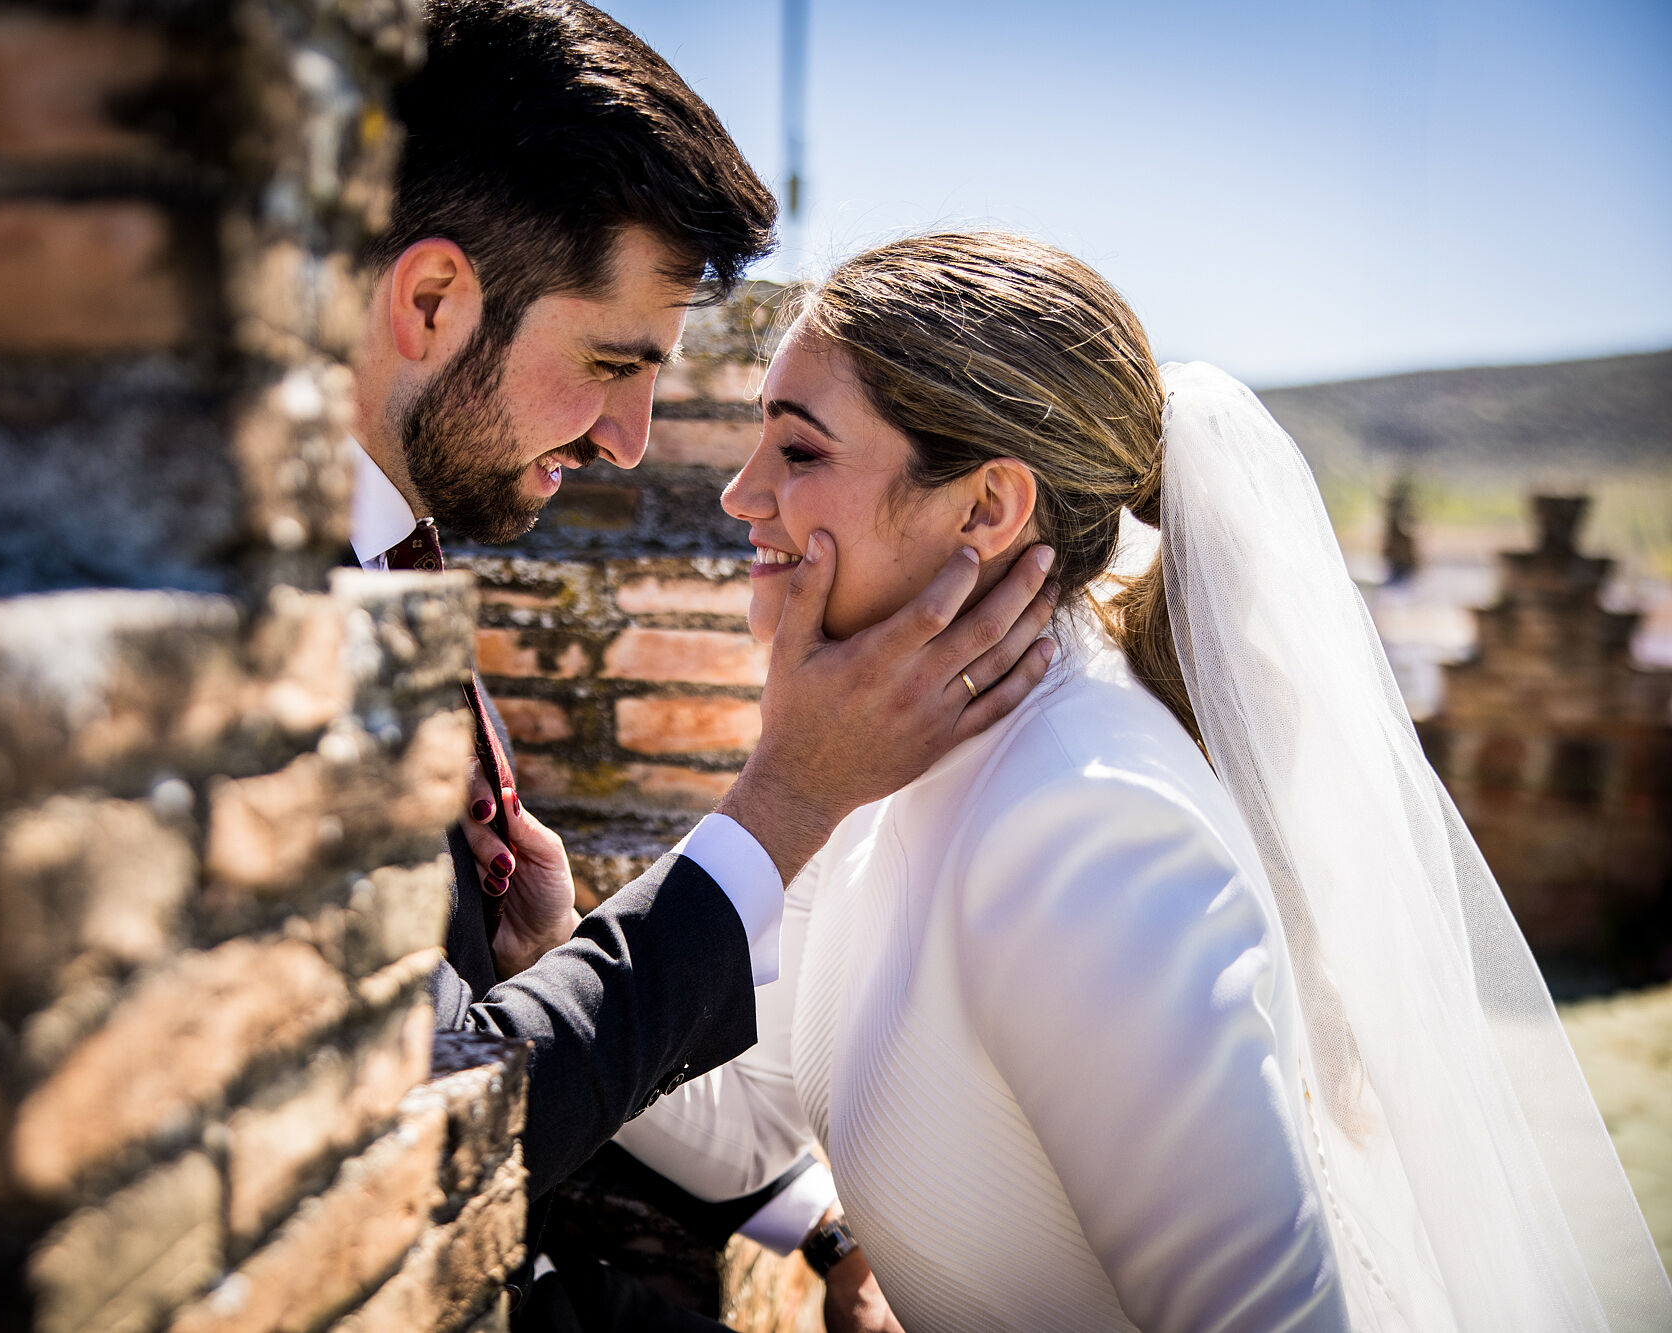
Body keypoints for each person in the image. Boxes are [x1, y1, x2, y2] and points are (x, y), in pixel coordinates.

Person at [615, 231, 1672, 1332]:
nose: (740, 495)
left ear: (985, 509)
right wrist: (546, 945)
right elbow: (738, 1121)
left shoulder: (1085, 821)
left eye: (797, 452)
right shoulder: (896, 757)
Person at [344, 4, 1058, 1325]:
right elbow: (442, 1111)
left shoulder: (403, 562)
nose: (632, 439)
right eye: (614, 362)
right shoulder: (275, 632)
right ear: (434, 299)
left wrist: (813, 1223)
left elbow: (502, 1022)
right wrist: (784, 802)